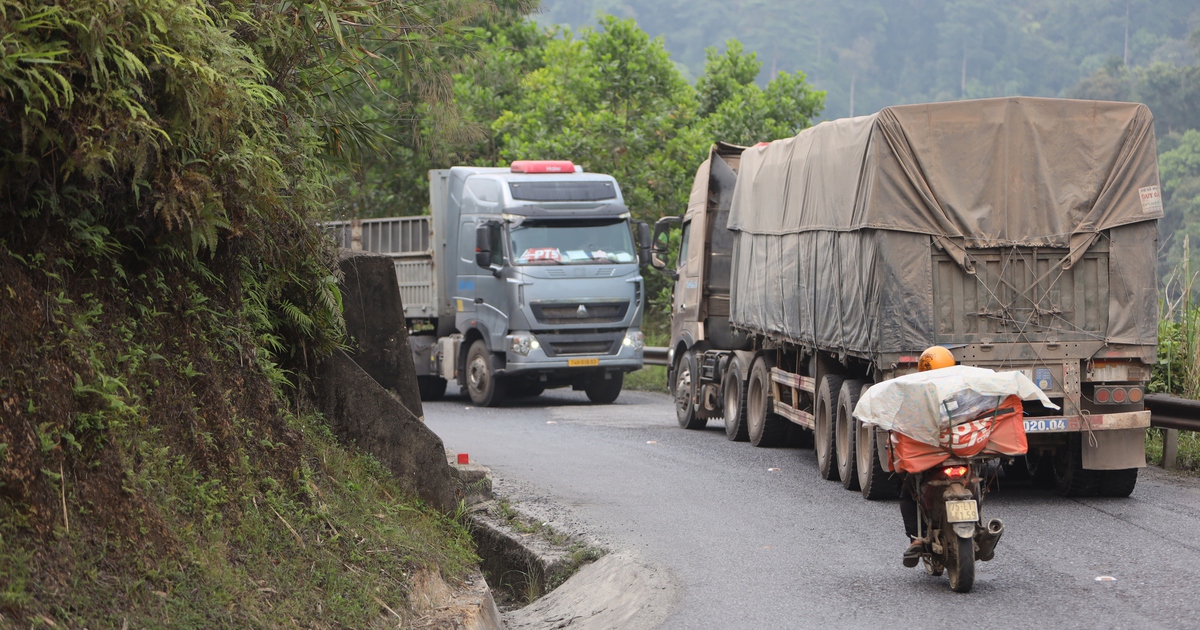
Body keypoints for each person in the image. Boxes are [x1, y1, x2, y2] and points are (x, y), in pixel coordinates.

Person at [902, 345, 956, 567]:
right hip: (965, 451)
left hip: (931, 457)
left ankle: (916, 538)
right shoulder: (962, 387)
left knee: (909, 489)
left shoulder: (916, 391)